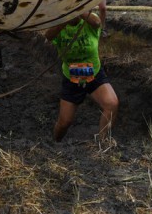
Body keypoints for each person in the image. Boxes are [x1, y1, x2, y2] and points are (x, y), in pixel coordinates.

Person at [45, 11, 118, 142]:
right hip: (72, 77)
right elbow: (48, 36)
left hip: (94, 73)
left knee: (111, 104)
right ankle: (54, 144)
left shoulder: (90, 21)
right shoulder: (60, 26)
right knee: (64, 123)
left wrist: (79, 9)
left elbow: (97, 22)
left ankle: (102, 142)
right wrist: (64, 20)